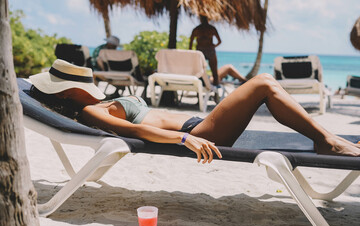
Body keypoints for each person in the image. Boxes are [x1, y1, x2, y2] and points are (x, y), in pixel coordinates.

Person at [29, 60, 360, 164]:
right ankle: (328, 141)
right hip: (200, 132)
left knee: (264, 85)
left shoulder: (95, 105)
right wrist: (185, 137)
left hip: (200, 125)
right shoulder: (89, 112)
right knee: (263, 83)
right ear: (68, 91)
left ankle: (327, 139)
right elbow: (136, 132)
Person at [189, 15, 222, 86]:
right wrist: (214, 46)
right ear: (208, 19)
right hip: (210, 50)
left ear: (200, 19)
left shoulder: (197, 29)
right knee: (214, 72)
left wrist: (192, 54)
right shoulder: (211, 28)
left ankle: (199, 88)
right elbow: (219, 41)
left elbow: (190, 44)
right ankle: (215, 91)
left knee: (199, 72)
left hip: (200, 51)